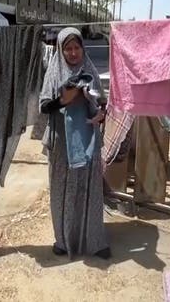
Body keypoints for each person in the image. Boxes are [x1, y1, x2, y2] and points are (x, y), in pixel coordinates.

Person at [39, 27, 110, 259]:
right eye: (67, 48)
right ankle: (63, 240)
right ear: (61, 50)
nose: (72, 53)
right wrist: (64, 99)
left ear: (82, 48)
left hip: (87, 138)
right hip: (61, 143)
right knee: (62, 191)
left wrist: (100, 112)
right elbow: (44, 105)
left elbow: (102, 102)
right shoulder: (54, 71)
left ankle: (95, 241)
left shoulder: (89, 69)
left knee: (88, 189)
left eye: (76, 47)